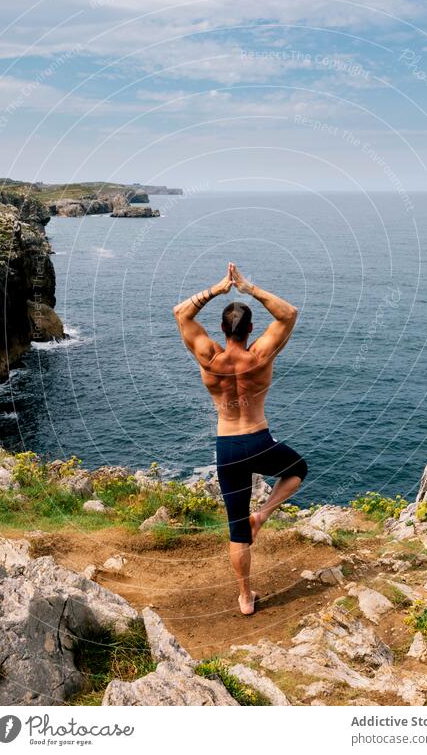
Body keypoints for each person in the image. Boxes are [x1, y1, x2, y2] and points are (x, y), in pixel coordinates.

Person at [173, 262, 308, 615]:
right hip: (259, 441)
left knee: (236, 528)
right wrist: (249, 288)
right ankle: (262, 515)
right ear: (251, 329)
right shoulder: (259, 355)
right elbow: (289, 313)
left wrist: (218, 289)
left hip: (228, 447)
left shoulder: (208, 356)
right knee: (297, 469)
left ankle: (245, 597)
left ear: (221, 328)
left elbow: (181, 313)